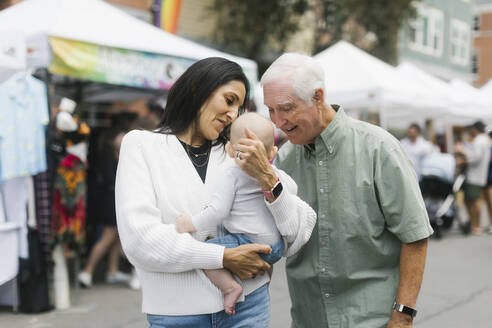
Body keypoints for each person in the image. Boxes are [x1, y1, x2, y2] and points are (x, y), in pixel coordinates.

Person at [115, 57, 317, 328]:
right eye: (229, 100)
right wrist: (222, 256)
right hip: (177, 314)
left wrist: (268, 179)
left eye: (239, 108)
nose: (233, 115)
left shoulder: (239, 152)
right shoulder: (141, 146)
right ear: (199, 88)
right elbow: (140, 241)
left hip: (249, 305)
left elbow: (298, 232)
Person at [255, 53, 433, 328]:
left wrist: (402, 316)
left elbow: (415, 236)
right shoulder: (284, 160)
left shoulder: (379, 148)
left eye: (286, 108)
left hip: (373, 319)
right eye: (270, 110)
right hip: (307, 318)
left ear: (317, 97)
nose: (277, 121)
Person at [176, 112, 310, 316]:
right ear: (272, 151)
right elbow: (290, 189)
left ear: (230, 150)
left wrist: (190, 223)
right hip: (274, 246)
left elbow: (217, 211)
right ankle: (261, 278)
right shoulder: (274, 174)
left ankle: (230, 288)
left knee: (203, 254)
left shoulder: (231, 174)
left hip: (247, 242)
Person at [78, 128, 134, 288]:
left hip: (116, 202)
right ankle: (87, 271)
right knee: (107, 237)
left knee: (116, 239)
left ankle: (113, 271)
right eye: (120, 136)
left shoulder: (118, 155)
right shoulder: (109, 156)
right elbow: (112, 179)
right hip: (111, 203)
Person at [456, 121, 491, 235]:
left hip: (475, 175)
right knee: (470, 200)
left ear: (475, 129)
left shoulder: (479, 141)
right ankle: (474, 224)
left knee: (475, 200)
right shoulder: (484, 140)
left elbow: (476, 158)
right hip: (478, 175)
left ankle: (476, 226)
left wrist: (463, 153)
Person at [484, 126, 492, 234]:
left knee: (490, 202)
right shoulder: (489, 148)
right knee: (489, 203)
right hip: (488, 178)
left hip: (490, 178)